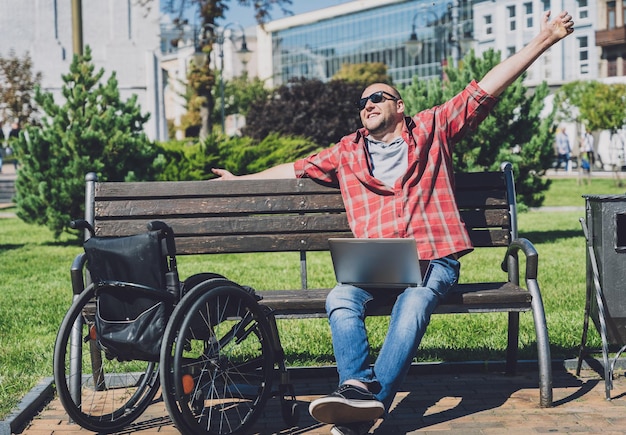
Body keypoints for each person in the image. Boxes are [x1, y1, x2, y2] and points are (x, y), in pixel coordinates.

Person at [212, 10, 574, 435]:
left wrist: (544, 40)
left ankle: (363, 406)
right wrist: (240, 181)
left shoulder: (434, 128)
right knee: (340, 299)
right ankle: (358, 390)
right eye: (362, 102)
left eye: (376, 98)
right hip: (377, 267)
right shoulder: (346, 152)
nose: (367, 105)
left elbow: (485, 89)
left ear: (398, 107)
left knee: (415, 302)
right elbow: (294, 169)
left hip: (432, 259)